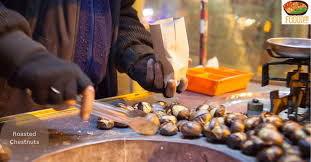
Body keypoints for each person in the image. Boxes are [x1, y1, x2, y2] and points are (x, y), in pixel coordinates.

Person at [0, 0, 188, 119]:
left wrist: (140, 55)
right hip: (20, 115)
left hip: (95, 113)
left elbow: (120, 12)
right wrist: (29, 58)